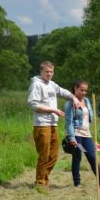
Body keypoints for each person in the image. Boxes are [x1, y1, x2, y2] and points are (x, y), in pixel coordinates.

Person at [27, 61, 80, 191]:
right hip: (41, 124)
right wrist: (53, 110)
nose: (49, 74)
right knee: (44, 155)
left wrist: (74, 98)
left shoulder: (52, 84)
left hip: (53, 124)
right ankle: (41, 182)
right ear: (41, 71)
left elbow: (63, 92)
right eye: (47, 71)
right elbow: (33, 104)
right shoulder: (36, 84)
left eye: (51, 71)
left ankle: (44, 178)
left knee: (54, 155)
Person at [64, 80, 100, 188]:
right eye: (81, 90)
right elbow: (69, 122)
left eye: (85, 90)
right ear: (75, 89)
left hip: (87, 134)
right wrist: (72, 138)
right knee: (77, 157)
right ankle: (77, 183)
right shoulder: (70, 103)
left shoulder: (86, 101)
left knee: (92, 156)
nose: (83, 93)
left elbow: (89, 118)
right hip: (77, 135)